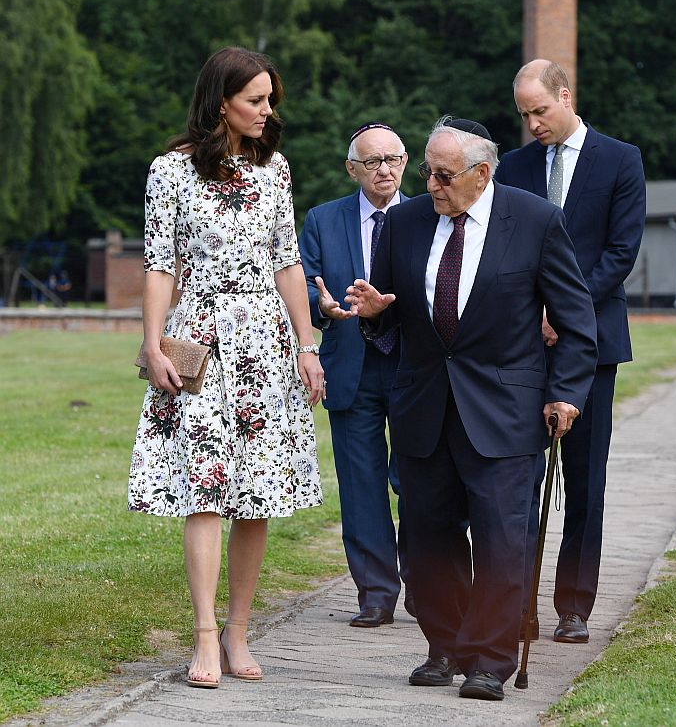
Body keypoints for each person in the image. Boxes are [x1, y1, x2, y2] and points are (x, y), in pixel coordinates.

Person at [344, 116, 597, 701]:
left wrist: (565, 393)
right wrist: (377, 311)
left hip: (506, 410)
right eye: (428, 171)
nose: (428, 184)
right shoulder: (405, 223)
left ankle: (489, 657)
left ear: (481, 174)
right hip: (424, 407)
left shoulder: (533, 221)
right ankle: (448, 642)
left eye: (442, 174)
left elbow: (577, 323)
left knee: (504, 539)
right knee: (427, 541)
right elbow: (386, 318)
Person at [128, 47, 325, 689]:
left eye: (272, 100)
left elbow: (287, 261)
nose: (268, 112)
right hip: (204, 343)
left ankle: (240, 632)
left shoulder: (276, 171)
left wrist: (306, 344)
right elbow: (160, 264)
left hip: (265, 347)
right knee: (206, 493)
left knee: (257, 496)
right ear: (221, 103)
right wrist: (154, 343)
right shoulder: (170, 171)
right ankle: (206, 637)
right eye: (256, 100)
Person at [495, 59, 646, 644]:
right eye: (524, 115)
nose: (533, 124)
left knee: (584, 481)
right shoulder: (513, 167)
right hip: (524, 345)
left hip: (592, 345)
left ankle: (574, 606)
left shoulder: (619, 160)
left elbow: (621, 251)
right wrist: (532, 311)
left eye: (540, 111)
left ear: (565, 96)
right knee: (520, 481)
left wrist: (564, 309)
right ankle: (519, 602)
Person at [298, 122, 411, 628]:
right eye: (371, 162)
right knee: (361, 483)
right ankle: (376, 593)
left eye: (392, 159)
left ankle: (428, 586)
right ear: (352, 169)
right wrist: (319, 307)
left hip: (415, 368)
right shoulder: (324, 220)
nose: (383, 170)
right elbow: (300, 283)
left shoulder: (429, 215)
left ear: (406, 162)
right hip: (351, 366)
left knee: (418, 482)